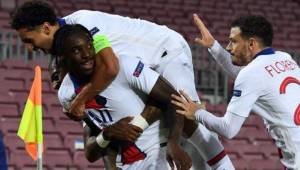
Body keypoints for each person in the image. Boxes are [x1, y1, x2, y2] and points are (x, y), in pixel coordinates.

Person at [10, 1, 234, 169]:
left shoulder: (82, 23)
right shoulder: (65, 53)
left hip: (164, 51)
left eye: (29, 40)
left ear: (46, 28)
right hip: (141, 70)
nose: (29, 48)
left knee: (185, 114)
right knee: (168, 123)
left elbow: (110, 67)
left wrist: (79, 100)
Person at [54, 24, 192, 170]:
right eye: (76, 50)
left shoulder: (124, 65)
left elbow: (173, 98)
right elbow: (91, 152)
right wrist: (108, 134)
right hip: (127, 164)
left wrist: (174, 142)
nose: (87, 54)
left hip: (160, 153)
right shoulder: (66, 93)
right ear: (63, 56)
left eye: (89, 46)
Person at [172, 14, 300, 169]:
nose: (228, 47)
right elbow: (249, 76)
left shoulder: (252, 74)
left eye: (233, 41)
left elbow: (228, 129)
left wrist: (197, 113)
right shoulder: (284, 58)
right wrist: (214, 46)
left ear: (251, 43)